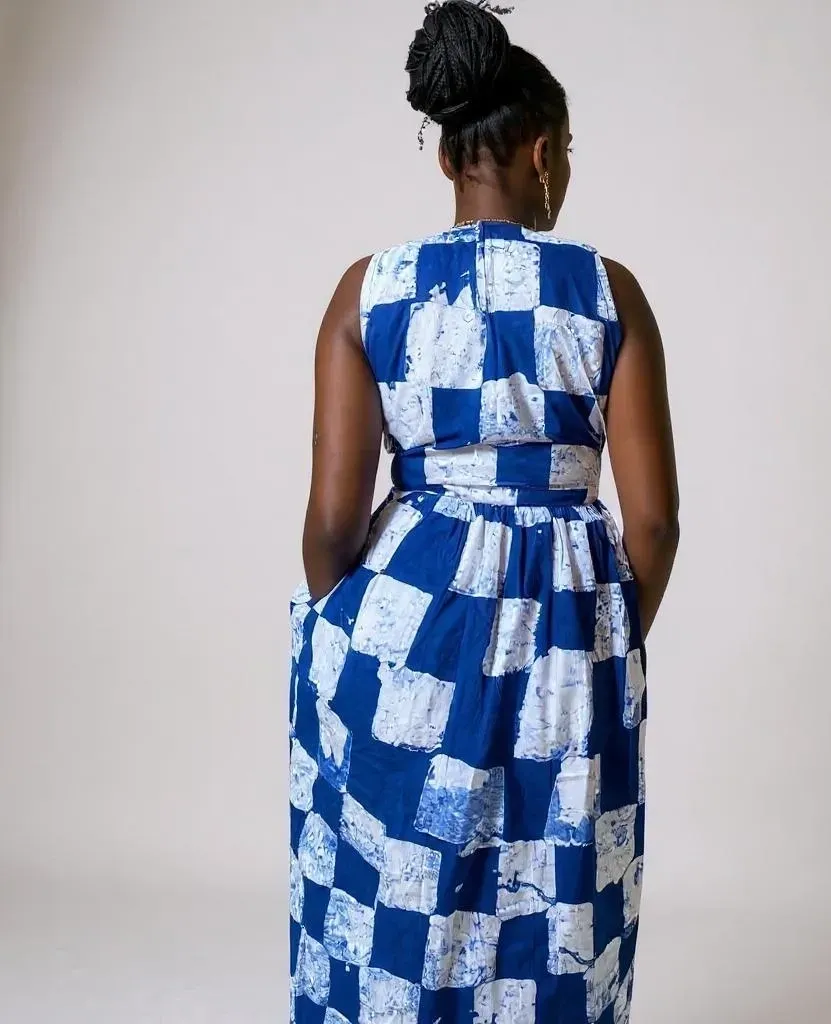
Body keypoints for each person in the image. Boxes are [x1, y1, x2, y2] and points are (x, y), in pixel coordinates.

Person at [288, 2, 678, 1020]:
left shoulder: (367, 291)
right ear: (543, 151)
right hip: (568, 623)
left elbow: (330, 525)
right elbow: (654, 524)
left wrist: (351, 631)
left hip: (413, 619)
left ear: (447, 157)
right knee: (554, 897)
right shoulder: (608, 291)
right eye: (568, 151)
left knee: (402, 893)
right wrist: (598, 636)